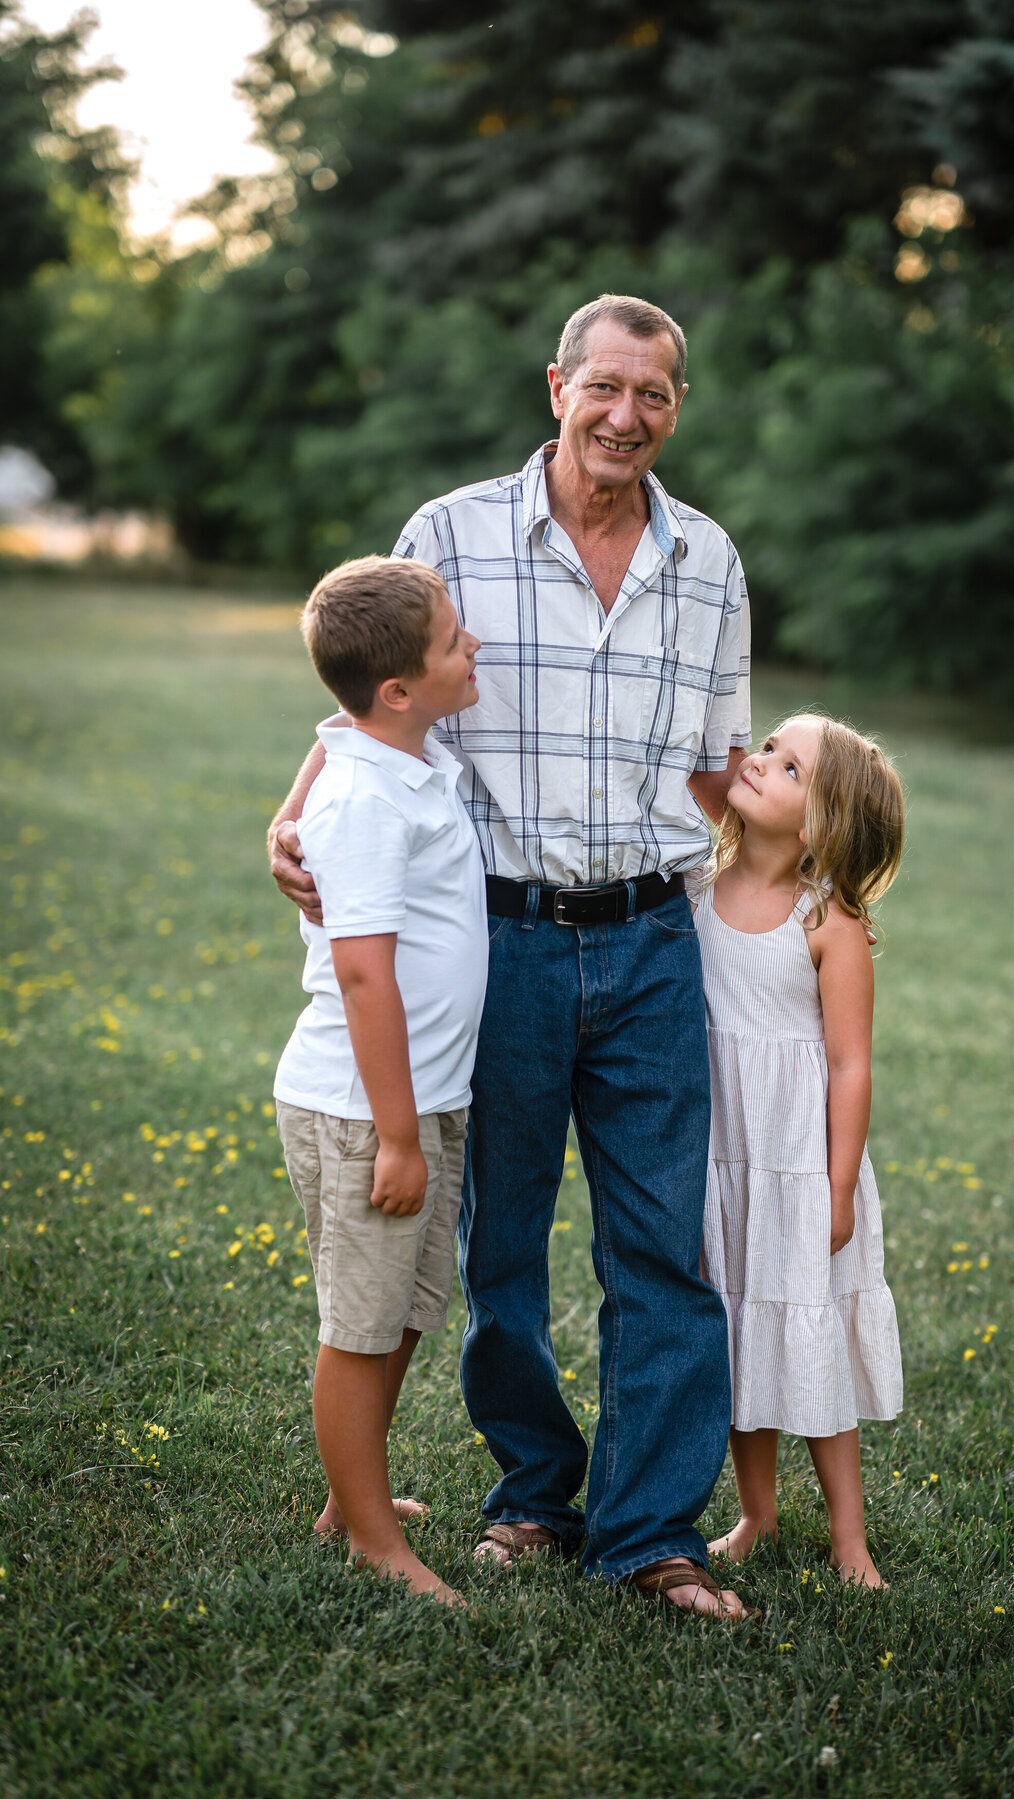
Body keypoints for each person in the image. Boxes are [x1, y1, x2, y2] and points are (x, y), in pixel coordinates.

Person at [269, 294, 753, 1618]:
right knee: (500, 1250)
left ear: (675, 406)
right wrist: (295, 799)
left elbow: (720, 772)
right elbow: (368, 688)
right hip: (501, 943)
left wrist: (798, 901)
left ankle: (649, 1528)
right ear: (557, 387)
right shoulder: (450, 533)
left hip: (658, 939)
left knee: (664, 1246)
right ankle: (535, 1490)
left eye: (653, 394)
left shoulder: (709, 561)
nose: (626, 417)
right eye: (605, 386)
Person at [273, 555, 485, 1605]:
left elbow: (326, 733)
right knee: (359, 1326)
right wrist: (398, 1135)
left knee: (402, 1309)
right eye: (455, 641)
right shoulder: (362, 794)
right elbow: (363, 972)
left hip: (423, 1101)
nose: (472, 647)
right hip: (365, 1111)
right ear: (398, 687)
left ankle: (349, 1498)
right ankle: (370, 1540)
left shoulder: (398, 753)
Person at [693, 712, 905, 1587]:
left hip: (802, 1163)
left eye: (788, 766)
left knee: (808, 1331)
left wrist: (840, 1183)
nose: (760, 760)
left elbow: (852, 1065)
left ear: (820, 824)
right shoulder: (700, 884)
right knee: (742, 1328)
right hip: (725, 1156)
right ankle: (756, 1514)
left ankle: (849, 1537)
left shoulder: (829, 918)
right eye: (768, 745)